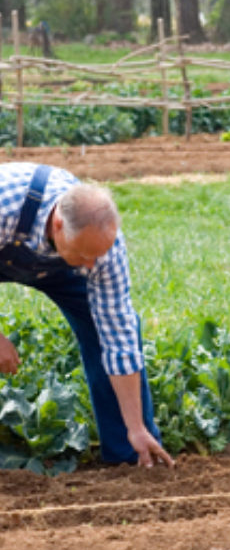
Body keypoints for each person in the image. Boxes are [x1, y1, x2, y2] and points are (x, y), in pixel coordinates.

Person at [0, 162, 174, 468]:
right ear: (58, 226)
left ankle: (130, 454)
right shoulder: (6, 203)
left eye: (98, 256)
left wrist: (137, 426)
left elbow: (119, 339)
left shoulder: (102, 251)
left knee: (104, 331)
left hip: (61, 266)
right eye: (85, 255)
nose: (93, 265)